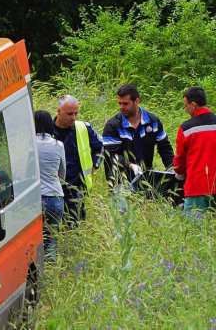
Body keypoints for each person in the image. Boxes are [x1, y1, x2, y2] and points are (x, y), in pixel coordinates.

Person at [102, 84, 174, 186]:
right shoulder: (113, 126)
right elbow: (111, 156)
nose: (121, 107)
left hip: (146, 179)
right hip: (120, 183)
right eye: (119, 103)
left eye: (125, 104)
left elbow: (165, 148)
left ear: (137, 101)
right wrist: (131, 166)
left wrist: (173, 170)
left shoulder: (153, 121)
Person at [53, 95, 103, 227]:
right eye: (69, 114)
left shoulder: (83, 128)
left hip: (76, 186)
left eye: (76, 113)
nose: (73, 117)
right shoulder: (46, 131)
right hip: (52, 188)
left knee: (74, 227)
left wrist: (95, 165)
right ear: (59, 111)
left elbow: (101, 146)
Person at [35, 110, 66, 261]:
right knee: (51, 237)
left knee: (36, 238)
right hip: (55, 195)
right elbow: (63, 172)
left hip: (35, 198)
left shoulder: (30, 144)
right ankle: (51, 270)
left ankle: (37, 273)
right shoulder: (58, 144)